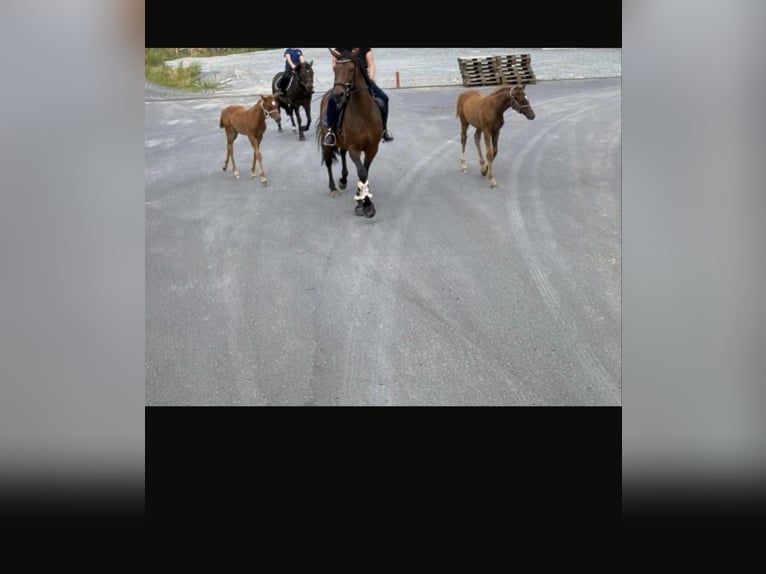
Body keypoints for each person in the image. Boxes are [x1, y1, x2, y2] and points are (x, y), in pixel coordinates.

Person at [324, 48, 394, 146]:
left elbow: (371, 64)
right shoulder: (340, 48)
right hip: (346, 82)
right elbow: (334, 65)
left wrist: (370, 79)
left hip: (364, 81)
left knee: (384, 98)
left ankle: (384, 130)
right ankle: (331, 132)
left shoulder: (365, 48)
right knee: (332, 100)